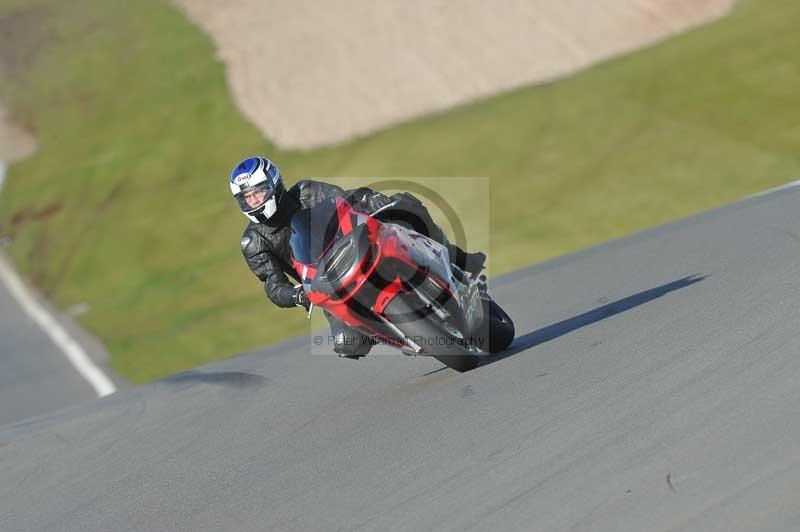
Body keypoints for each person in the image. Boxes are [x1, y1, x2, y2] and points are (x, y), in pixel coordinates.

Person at [230, 156, 485, 359]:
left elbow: (344, 199)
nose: (254, 200)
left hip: (356, 243)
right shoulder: (253, 242)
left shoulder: (304, 192)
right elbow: (273, 285)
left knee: (407, 207)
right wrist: (295, 295)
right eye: (246, 197)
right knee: (348, 345)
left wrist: (370, 199)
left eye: (258, 192)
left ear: (274, 185)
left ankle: (454, 258)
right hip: (326, 283)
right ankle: (405, 334)